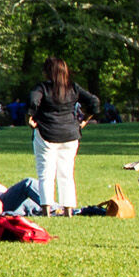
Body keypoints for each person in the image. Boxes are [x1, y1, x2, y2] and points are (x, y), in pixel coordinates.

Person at [27, 57, 97, 216]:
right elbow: (94, 101)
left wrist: (30, 118)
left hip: (46, 132)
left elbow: (33, 101)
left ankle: (46, 209)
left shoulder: (42, 88)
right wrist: (85, 120)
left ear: (47, 71)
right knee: (66, 173)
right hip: (70, 134)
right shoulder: (73, 88)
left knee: (45, 172)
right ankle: (68, 210)